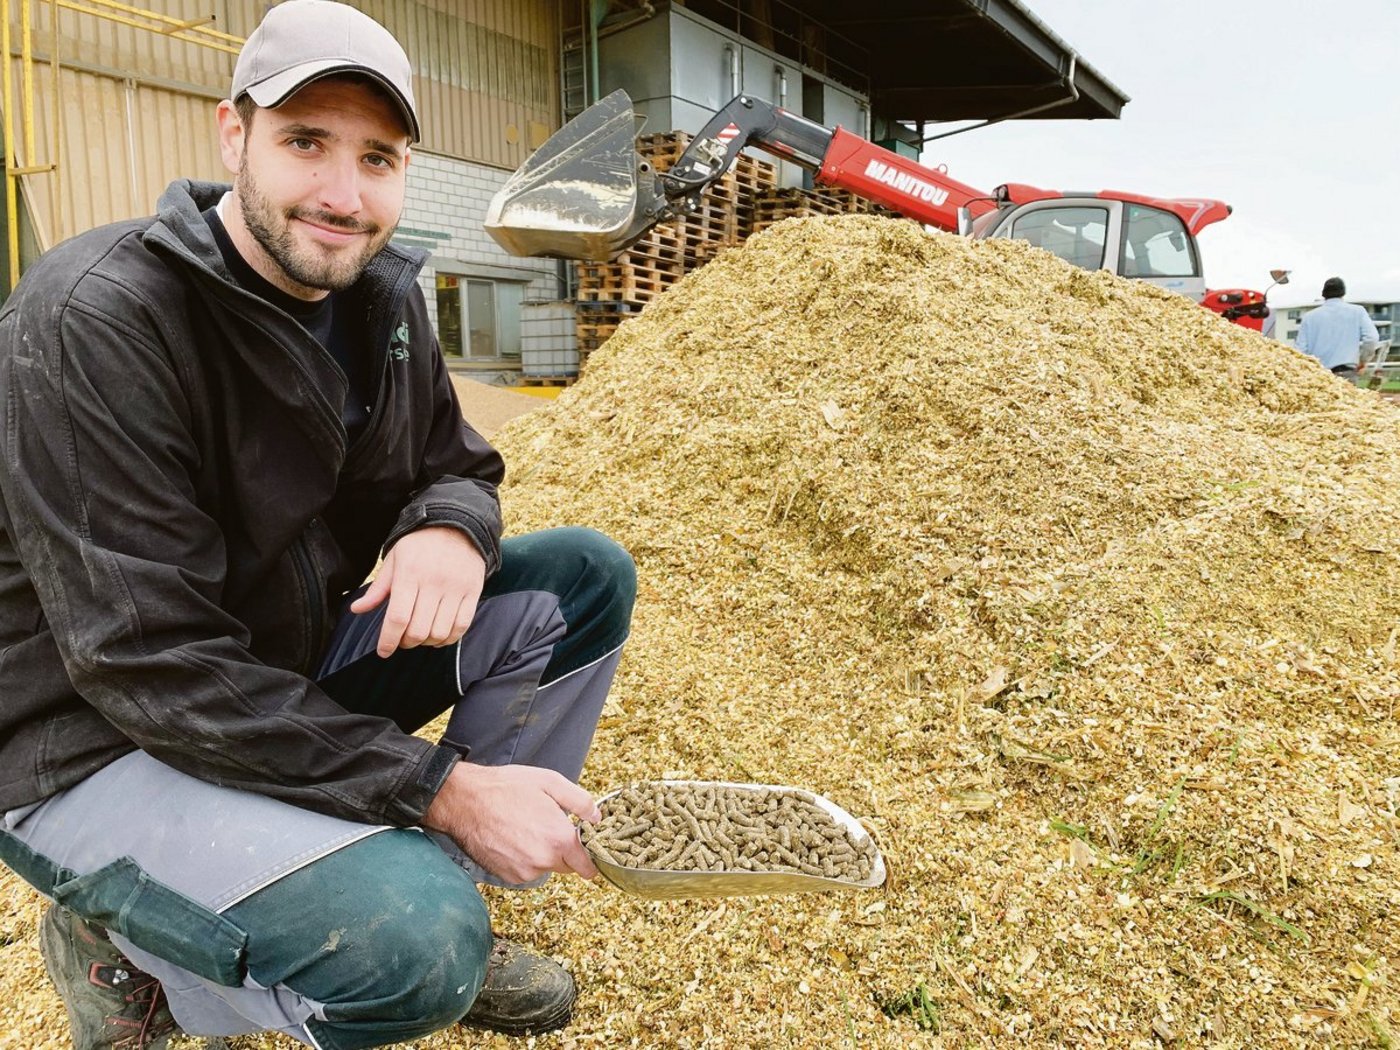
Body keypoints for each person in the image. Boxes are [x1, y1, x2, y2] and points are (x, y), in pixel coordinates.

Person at [0, 2, 636, 1047]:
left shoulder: (378, 304)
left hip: (267, 674)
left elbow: (459, 466)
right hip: (88, 733)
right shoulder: (97, 321)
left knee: (580, 580)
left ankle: (421, 874)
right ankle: (128, 944)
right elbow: (145, 659)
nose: (345, 195)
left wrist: (446, 526)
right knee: (411, 949)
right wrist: (436, 787)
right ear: (232, 134)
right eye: (306, 142)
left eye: (377, 158)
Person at [1296, 276, 1381, 382]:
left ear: (1324, 294)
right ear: (1343, 293)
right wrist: (1363, 360)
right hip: (1346, 374)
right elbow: (1371, 338)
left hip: (1318, 376)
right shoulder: (1358, 312)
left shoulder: (1309, 317)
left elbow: (1300, 350)